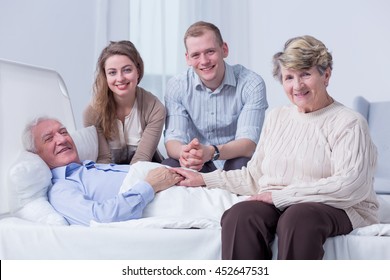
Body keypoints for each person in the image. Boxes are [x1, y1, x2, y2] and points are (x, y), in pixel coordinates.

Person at [174, 35, 379, 260]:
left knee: (299, 218)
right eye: (288, 77)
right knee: (240, 215)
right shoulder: (277, 117)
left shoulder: (349, 122)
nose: (297, 86)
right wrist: (204, 179)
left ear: (326, 75)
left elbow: (349, 187)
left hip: (340, 207)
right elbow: (254, 177)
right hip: (284, 203)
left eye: (306, 74)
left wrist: (281, 197)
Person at [22, 117, 182, 226]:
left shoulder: (93, 167)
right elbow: (100, 218)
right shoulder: (61, 188)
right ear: (37, 155)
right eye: (49, 138)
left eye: (63, 132)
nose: (62, 139)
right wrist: (149, 186)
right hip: (174, 201)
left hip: (186, 182)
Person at [162, 21, 268, 173]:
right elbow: (173, 139)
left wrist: (211, 152)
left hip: (235, 159)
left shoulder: (251, 83)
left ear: (224, 49)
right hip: (199, 162)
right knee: (169, 165)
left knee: (242, 165)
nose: (204, 61)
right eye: (196, 55)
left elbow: (248, 144)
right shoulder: (177, 86)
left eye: (210, 51)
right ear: (188, 58)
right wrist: (185, 154)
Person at [84, 40, 165, 165]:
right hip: (108, 175)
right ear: (105, 76)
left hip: (144, 173)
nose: (120, 78)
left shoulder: (155, 108)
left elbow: (141, 160)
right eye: (112, 72)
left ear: (137, 71)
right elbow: (103, 159)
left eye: (127, 70)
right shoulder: (93, 112)